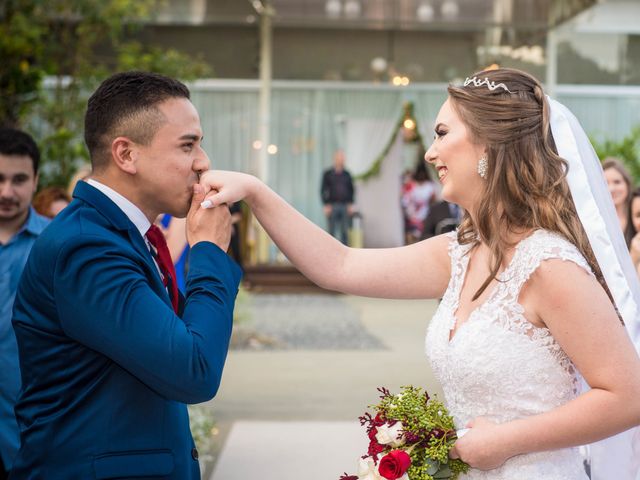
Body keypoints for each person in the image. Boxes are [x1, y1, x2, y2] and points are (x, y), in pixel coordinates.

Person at [199, 68, 640, 479]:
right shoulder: (460, 254)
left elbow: (627, 397)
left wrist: (505, 440)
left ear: (489, 146)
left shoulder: (549, 265)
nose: (430, 152)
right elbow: (338, 264)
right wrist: (256, 192)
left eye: (443, 133)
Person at [9, 71, 242, 479]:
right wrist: (208, 252)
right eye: (188, 145)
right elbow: (194, 372)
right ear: (126, 154)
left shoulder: (121, 235)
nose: (203, 163)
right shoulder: (87, 248)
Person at [0, 128, 49, 480]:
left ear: (36, 180)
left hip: (33, 427)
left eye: (18, 180)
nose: (7, 192)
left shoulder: (59, 245)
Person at [321, 149, 355, 244]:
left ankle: (346, 253)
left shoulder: (347, 174)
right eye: (339, 157)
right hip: (332, 206)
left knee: (345, 231)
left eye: (343, 157)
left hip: (344, 206)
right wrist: (326, 205)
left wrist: (350, 204)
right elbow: (323, 190)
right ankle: (330, 253)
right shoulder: (328, 174)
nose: (341, 159)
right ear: (335, 158)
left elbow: (351, 190)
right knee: (331, 232)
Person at [401, 157, 437, 243]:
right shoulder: (411, 185)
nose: (421, 175)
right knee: (411, 237)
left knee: (421, 238)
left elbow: (433, 200)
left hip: (424, 215)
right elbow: (405, 199)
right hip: (411, 215)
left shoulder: (429, 186)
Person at [603, 157, 635, 247]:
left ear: (627, 184)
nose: (611, 189)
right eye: (605, 183)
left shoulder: (637, 218)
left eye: (617, 182)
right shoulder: (596, 220)